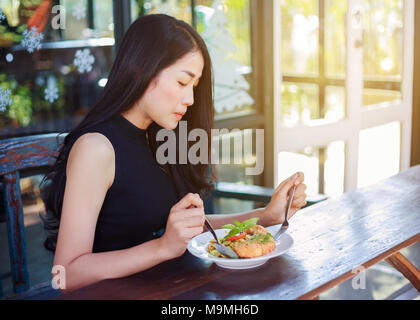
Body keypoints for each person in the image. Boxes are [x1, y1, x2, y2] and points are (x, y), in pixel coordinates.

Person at [42, 14, 307, 292]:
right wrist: (162, 248)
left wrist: (266, 216)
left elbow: (184, 232)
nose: (191, 99)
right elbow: (65, 275)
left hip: (169, 287)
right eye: (182, 82)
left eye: (194, 86)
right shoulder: (96, 148)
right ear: (143, 70)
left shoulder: (157, 136)